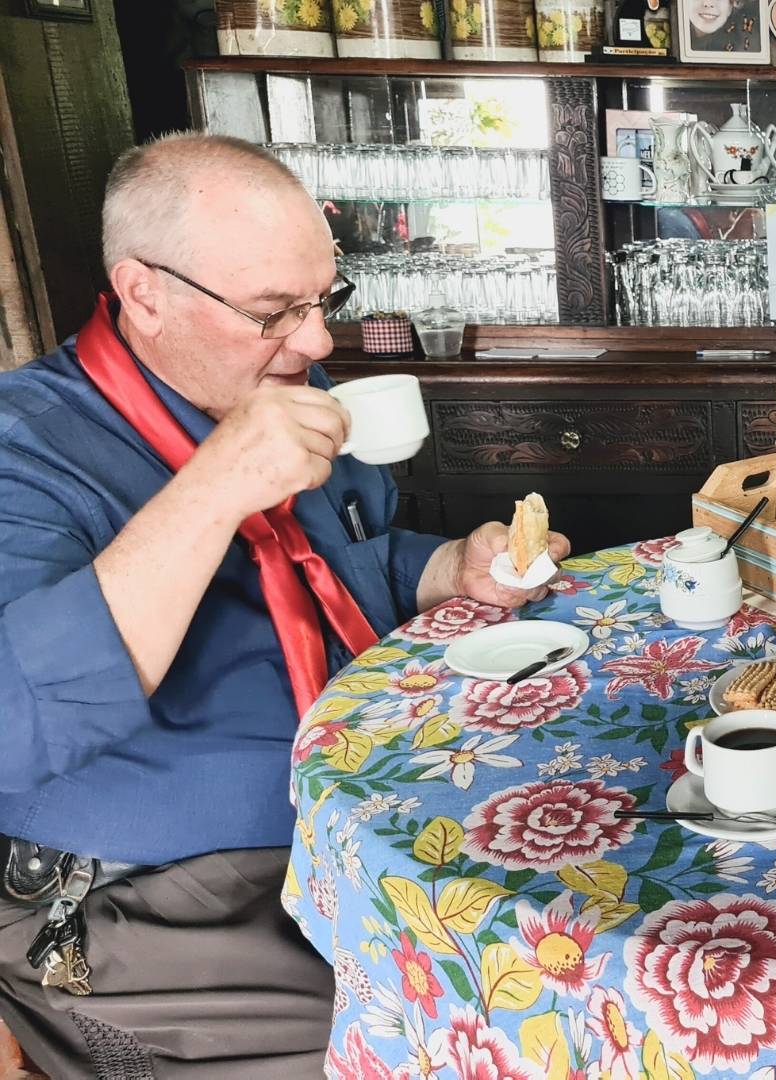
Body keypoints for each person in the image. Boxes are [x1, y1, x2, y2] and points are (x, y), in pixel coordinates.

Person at [0, 133, 568, 1076]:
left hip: (365, 822)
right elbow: (12, 725)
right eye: (275, 310)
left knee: (570, 953)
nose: (317, 342)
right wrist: (212, 489)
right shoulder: (26, 449)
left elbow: (346, 564)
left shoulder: (286, 386)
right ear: (143, 293)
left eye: (322, 300)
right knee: (459, 1044)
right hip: (164, 893)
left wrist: (445, 570)